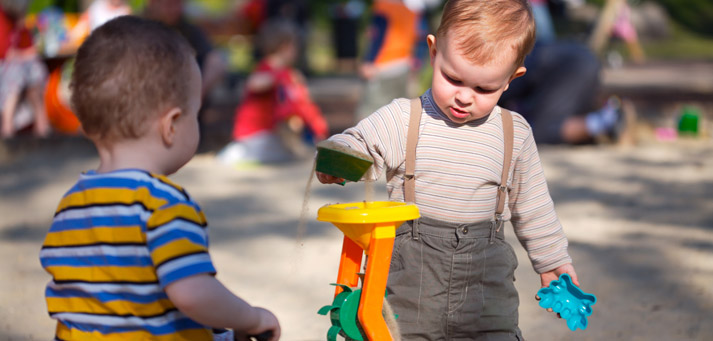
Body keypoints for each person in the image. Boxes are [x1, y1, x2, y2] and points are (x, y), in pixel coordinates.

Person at [316, 0, 578, 339]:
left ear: (512, 78)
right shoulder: (404, 118)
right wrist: (341, 157)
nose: (464, 97)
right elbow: (361, 142)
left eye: (484, 88)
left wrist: (553, 261)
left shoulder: (515, 133)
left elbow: (534, 207)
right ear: (433, 52)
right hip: (411, 284)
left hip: (486, 289)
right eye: (453, 78)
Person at [38, 16, 280, 341]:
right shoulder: (162, 205)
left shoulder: (70, 206)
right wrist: (251, 317)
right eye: (195, 113)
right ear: (172, 125)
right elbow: (193, 293)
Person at [498, 0, 620, 145]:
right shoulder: (522, 50)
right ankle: (605, 119)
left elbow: (500, 91)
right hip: (582, 58)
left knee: (543, 131)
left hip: (571, 67)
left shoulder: (508, 65)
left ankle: (605, 122)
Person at [217, 20, 328, 166]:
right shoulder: (266, 70)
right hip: (254, 134)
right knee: (281, 153)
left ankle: (246, 152)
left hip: (270, 132)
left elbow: (299, 104)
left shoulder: (287, 74)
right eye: (294, 46)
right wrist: (279, 78)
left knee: (289, 151)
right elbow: (253, 83)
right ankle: (238, 152)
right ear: (285, 47)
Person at [144, 0, 226, 100]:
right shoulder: (136, 28)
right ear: (152, 3)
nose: (174, 9)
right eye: (169, 4)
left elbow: (216, 62)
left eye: (178, 4)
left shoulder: (189, 30)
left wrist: (198, 93)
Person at [355, 0, 419, 120]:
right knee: (399, 113)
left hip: (383, 66)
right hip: (403, 64)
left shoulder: (384, 6)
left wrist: (369, 61)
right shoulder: (411, 10)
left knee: (370, 114)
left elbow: (377, 37)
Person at [0, 1, 49, 138]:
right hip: (5, 69)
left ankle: (42, 125)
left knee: (35, 70)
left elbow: (28, 46)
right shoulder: (3, 17)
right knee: (16, 73)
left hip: (18, 68)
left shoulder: (16, 18)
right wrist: (26, 53)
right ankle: (7, 127)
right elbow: (6, 53)